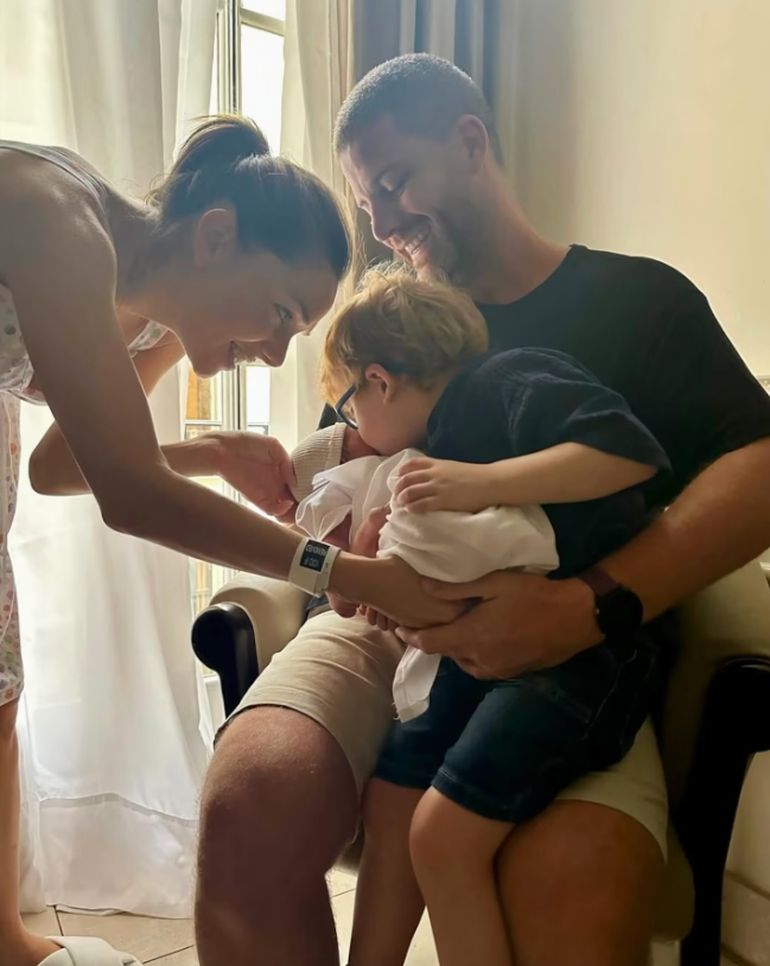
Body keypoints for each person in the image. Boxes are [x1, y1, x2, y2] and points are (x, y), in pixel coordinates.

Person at [197, 56, 770, 966]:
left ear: (471, 143)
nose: (382, 224)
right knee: (251, 799)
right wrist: (330, 527)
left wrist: (590, 604)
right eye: (367, 203)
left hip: (569, 641)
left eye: (394, 182)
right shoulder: (391, 315)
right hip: (385, 625)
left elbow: (759, 467)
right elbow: (351, 474)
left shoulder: (640, 302)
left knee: (576, 882)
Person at [0, 116, 455, 966]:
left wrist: (210, 452)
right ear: (215, 236)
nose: (278, 353)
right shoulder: (60, 223)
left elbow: (60, 466)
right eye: (280, 312)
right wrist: (348, 572)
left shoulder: (154, 311)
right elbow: (131, 494)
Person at [312, 264, 671, 966]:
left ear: (379, 381)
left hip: (580, 664)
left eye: (350, 411)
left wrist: (478, 482)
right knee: (392, 796)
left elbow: (632, 454)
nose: (358, 432)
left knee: (441, 839)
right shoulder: (437, 440)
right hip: (486, 663)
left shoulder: (505, 380)